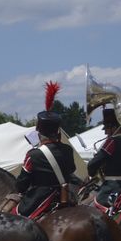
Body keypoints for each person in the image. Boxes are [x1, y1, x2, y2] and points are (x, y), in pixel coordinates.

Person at [14, 82, 79, 219]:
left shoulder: (33, 155)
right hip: (67, 197)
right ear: (57, 132)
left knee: (14, 216)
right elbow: (71, 170)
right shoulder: (67, 150)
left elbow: (21, 184)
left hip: (39, 200)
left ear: (38, 132)